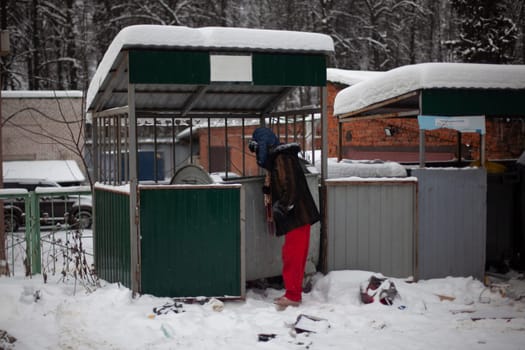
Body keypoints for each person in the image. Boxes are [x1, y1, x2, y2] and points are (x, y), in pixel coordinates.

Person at [249, 127, 321, 310]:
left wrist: (283, 207)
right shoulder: (280, 158)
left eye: (257, 147)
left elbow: (291, 186)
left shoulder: (282, 158)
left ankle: (293, 295)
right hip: (298, 215)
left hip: (296, 215)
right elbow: (283, 184)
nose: (257, 152)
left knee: (292, 256)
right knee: (294, 255)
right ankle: (293, 293)